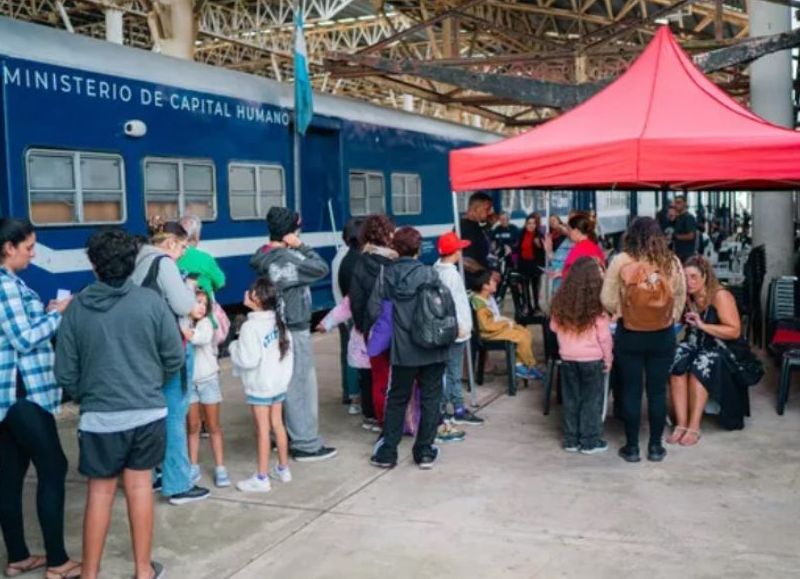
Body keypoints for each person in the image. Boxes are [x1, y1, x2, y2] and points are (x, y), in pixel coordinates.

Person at [55, 228, 183, 579]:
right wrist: (150, 383)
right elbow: (174, 356)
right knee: (140, 487)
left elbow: (65, 371)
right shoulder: (151, 303)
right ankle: (143, 570)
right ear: (131, 264)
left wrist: (90, 394)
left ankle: (89, 574)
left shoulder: (77, 308)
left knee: (100, 492)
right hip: (147, 411)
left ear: (94, 265)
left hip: (100, 418)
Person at [0, 219, 79, 579]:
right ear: (8, 248)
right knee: (54, 467)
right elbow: (24, 338)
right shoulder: (4, 286)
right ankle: (58, 562)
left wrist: (45, 311)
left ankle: (18, 556)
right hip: (24, 395)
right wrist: (58, 315)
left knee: (11, 474)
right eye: (29, 247)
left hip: (10, 397)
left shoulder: (11, 284)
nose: (33, 253)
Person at [131, 218, 209, 504]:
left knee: (152, 413)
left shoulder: (138, 259)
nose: (184, 253)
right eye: (183, 247)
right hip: (170, 348)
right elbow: (182, 305)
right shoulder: (163, 263)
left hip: (146, 349)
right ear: (171, 243)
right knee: (175, 413)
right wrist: (190, 291)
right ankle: (178, 484)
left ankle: (153, 475)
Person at [250, 207, 336, 462]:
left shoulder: (264, 256)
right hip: (294, 326)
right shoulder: (288, 259)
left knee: (282, 383)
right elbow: (320, 268)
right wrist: (301, 246)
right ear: (291, 232)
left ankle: (282, 435)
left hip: (276, 325)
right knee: (300, 385)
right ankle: (306, 444)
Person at [601, 217, 686, 463]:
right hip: (662, 334)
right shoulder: (671, 262)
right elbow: (679, 296)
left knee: (631, 390)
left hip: (630, 334)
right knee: (658, 392)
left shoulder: (620, 260)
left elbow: (607, 298)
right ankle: (656, 448)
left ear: (630, 235)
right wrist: (669, 317)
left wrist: (624, 311)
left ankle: (632, 448)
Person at [370, 227, 451, 469]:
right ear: (418, 249)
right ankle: (424, 451)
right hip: (433, 345)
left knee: (397, 398)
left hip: (403, 349)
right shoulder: (431, 273)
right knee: (431, 397)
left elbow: (376, 310)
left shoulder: (386, 275)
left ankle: (388, 452)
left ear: (395, 248)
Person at [669, 256, 744, 442]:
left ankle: (694, 426)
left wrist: (702, 326)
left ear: (705, 277)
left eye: (694, 277)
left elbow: (734, 331)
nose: (689, 282)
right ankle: (681, 423)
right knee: (675, 359)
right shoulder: (688, 297)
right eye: (685, 277)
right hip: (697, 342)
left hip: (722, 347)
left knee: (700, 365)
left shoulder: (720, 296)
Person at [229, 278, 294, 492]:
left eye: (250, 291)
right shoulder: (279, 323)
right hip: (277, 384)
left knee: (263, 430)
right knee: (278, 425)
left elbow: (248, 360)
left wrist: (233, 346)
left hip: (260, 385)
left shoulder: (250, 327)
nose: (246, 293)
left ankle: (262, 477)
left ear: (256, 298)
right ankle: (283, 469)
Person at [550, 257, 613, 455]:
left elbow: (553, 326)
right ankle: (589, 441)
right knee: (591, 400)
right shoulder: (597, 305)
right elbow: (604, 337)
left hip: (567, 358)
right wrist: (608, 359)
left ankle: (571, 440)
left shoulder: (561, 302)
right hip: (592, 359)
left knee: (571, 399)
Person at [349, 214, 397, 428]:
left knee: (379, 378)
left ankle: (382, 420)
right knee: (399, 377)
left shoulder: (361, 261)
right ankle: (400, 418)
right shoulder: (395, 261)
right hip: (397, 327)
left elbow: (356, 298)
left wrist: (363, 326)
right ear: (388, 234)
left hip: (373, 329)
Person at [434, 232, 482, 426]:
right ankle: (454, 410)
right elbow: (454, 304)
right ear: (455, 252)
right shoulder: (451, 275)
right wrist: (462, 327)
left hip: (446, 330)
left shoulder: (436, 270)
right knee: (453, 372)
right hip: (456, 331)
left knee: (447, 371)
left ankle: (449, 407)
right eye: (460, 248)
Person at [185, 288, 229, 488]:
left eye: (204, 303)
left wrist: (183, 329)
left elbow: (198, 338)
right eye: (197, 302)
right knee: (192, 427)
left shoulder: (206, 324)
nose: (202, 307)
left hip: (208, 380)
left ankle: (220, 467)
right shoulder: (185, 323)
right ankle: (192, 465)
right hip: (189, 383)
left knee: (213, 426)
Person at [469, 270, 544, 381]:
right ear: (485, 286)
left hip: (496, 328)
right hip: (489, 333)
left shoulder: (487, 298)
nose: (496, 283)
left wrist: (506, 322)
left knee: (525, 331)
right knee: (521, 337)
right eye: (493, 281)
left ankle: (519, 364)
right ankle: (530, 365)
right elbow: (486, 326)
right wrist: (504, 324)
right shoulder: (479, 303)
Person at [331, 217, 365, 412]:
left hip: (343, 311)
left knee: (348, 353)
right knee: (355, 355)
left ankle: (349, 393)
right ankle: (354, 397)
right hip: (350, 313)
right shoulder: (351, 259)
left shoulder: (340, 257)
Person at [177, 215, 225, 298]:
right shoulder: (205, 259)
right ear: (196, 236)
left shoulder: (170, 256)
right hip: (203, 308)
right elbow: (220, 282)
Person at [562, 212, 606, 279]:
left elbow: (572, 274)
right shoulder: (594, 246)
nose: (568, 233)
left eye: (569, 230)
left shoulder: (579, 250)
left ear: (576, 231)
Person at [517, 213, 545, 314]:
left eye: (533, 223)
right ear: (526, 224)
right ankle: (527, 306)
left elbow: (544, 250)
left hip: (535, 264)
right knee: (525, 286)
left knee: (535, 287)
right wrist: (516, 262)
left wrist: (539, 245)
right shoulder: (521, 234)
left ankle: (536, 306)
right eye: (529, 223)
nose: (531, 225)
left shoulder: (539, 235)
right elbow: (517, 249)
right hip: (524, 264)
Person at [460, 192, 496, 269]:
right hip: (471, 279)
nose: (490, 212)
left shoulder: (476, 225)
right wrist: (487, 275)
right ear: (475, 208)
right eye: (487, 209)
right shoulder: (464, 228)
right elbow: (466, 261)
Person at [672, 195, 698, 263]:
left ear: (685, 204)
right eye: (675, 203)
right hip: (678, 253)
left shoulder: (689, 218)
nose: (676, 205)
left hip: (687, 254)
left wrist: (676, 237)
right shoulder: (678, 218)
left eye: (678, 202)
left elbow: (691, 236)